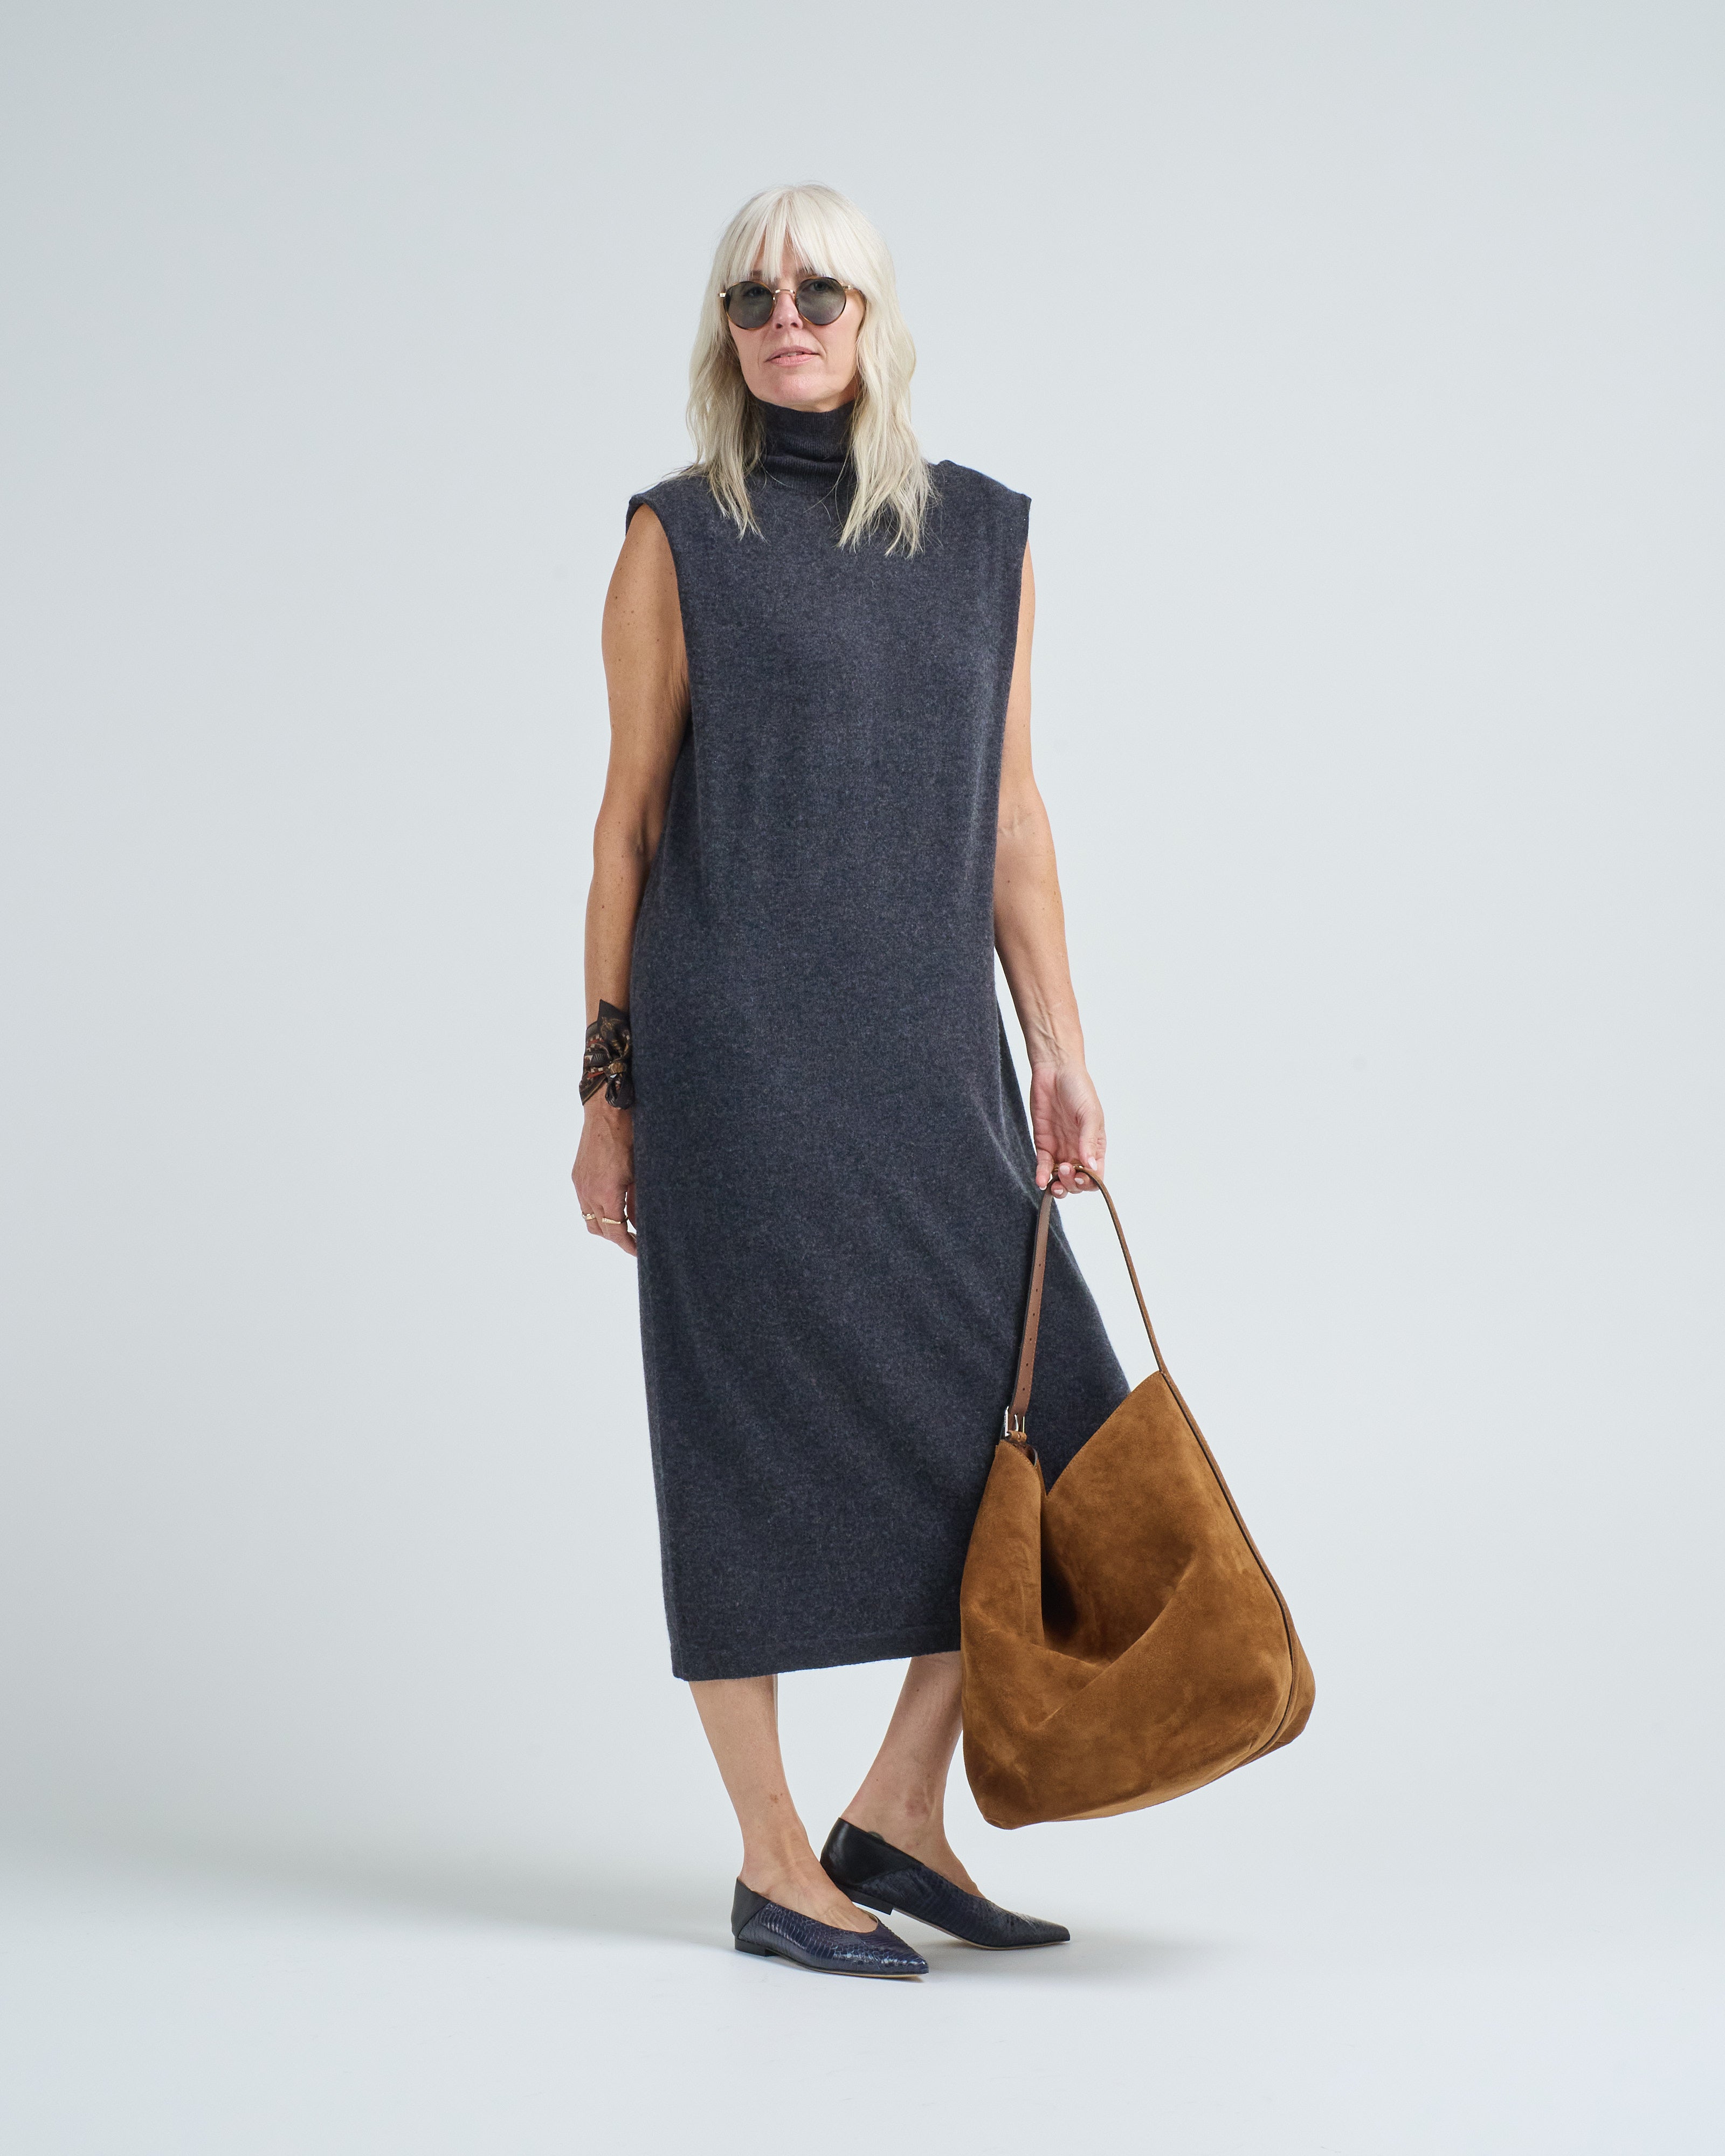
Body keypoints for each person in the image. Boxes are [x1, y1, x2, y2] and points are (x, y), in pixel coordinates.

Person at [572, 184, 1128, 1978]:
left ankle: (894, 1811)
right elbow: (627, 826)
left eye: (820, 289)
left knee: (1044, 1414)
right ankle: (767, 1860)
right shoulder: (678, 538)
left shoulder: (984, 538)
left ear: (875, 317)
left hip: (929, 1056)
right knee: (738, 1433)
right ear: (723, 333)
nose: (786, 318)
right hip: (735, 1054)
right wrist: (607, 1088)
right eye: (751, 298)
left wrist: (1060, 1047)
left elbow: (1013, 820)